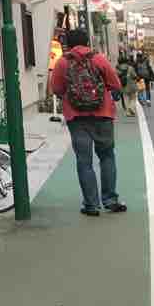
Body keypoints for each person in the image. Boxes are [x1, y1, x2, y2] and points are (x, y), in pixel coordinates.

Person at [51, 28, 126, 217]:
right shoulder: (98, 59)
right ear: (87, 42)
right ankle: (110, 200)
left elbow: (56, 89)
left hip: (76, 118)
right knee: (107, 156)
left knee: (84, 161)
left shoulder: (62, 63)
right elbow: (115, 84)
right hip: (103, 114)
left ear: (68, 44)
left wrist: (71, 95)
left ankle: (91, 205)